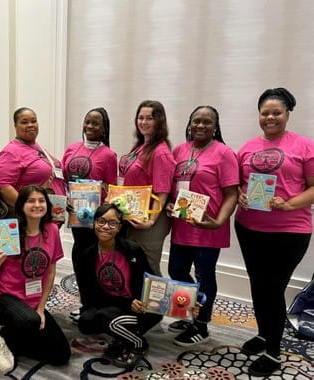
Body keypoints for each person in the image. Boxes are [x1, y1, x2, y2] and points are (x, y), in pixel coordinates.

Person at [235, 88, 313, 377]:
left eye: (276, 112)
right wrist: (242, 196)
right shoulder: (247, 147)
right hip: (249, 227)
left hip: (289, 231)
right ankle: (264, 334)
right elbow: (240, 184)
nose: (270, 117)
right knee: (258, 284)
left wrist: (289, 203)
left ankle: (274, 352)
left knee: (273, 289)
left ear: (287, 114)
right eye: (265, 113)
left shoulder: (304, 146)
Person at [165, 105, 239, 347]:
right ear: (189, 123)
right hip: (182, 225)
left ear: (215, 127)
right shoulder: (179, 150)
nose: (200, 125)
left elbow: (231, 194)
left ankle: (201, 325)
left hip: (208, 228)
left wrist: (219, 221)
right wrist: (168, 205)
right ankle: (189, 313)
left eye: (207, 122)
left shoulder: (224, 153)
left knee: (204, 276)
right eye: (196, 121)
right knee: (176, 270)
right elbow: (173, 186)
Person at [0, 185, 71, 373]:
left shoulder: (52, 230)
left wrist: (41, 308)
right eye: (31, 201)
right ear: (21, 205)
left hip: (32, 303)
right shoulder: (9, 230)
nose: (37, 205)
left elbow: (51, 273)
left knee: (61, 355)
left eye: (41, 200)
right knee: (30, 321)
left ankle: (17, 340)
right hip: (1, 298)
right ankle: (4, 334)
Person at [76, 204, 162, 369]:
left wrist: (185, 301)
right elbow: (90, 294)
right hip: (118, 304)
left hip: (140, 307)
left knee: (110, 322)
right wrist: (124, 303)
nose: (106, 227)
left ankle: (138, 343)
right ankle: (124, 336)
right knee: (86, 323)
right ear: (94, 223)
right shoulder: (87, 254)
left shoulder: (132, 250)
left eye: (112, 223)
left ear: (119, 227)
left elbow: (152, 281)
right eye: (101, 221)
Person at [61, 107, 117, 320]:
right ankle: (86, 303)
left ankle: (96, 307)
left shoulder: (109, 155)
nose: (90, 126)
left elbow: (111, 190)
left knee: (94, 261)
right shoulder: (72, 149)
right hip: (76, 217)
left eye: (95, 123)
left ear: (103, 129)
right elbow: (64, 181)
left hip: (96, 219)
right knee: (79, 260)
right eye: (87, 122)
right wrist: (65, 199)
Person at [118, 100, 176, 276]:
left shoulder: (161, 152)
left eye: (149, 118)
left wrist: (150, 220)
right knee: (133, 265)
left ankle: (153, 304)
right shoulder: (142, 146)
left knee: (148, 267)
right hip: (134, 214)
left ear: (159, 121)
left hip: (150, 220)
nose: (143, 122)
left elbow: (163, 191)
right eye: (140, 117)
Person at [0, 107, 65, 213]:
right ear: (15, 126)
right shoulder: (11, 151)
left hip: (50, 217)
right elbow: (2, 185)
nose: (30, 125)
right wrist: (29, 210)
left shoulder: (35, 146)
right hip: (29, 222)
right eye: (24, 122)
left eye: (33, 121)